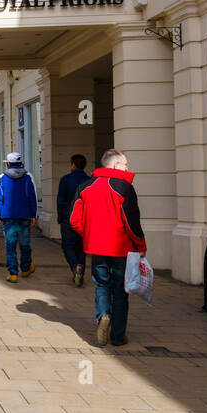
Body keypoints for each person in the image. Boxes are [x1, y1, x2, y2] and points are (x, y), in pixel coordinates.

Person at [70, 149, 146, 348]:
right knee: (120, 290)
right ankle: (118, 336)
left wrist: (88, 234)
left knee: (102, 284)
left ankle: (103, 315)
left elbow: (74, 219)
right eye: (125, 164)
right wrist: (141, 244)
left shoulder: (85, 187)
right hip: (122, 248)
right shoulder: (124, 187)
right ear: (115, 165)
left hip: (96, 246)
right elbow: (131, 222)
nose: (128, 168)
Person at [0, 151, 39, 282]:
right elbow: (33, 197)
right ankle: (25, 269)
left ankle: (13, 273)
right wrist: (33, 214)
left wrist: (1, 214)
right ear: (21, 162)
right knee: (25, 244)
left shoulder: (2, 177)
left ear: (8, 163)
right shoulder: (28, 177)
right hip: (25, 216)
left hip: (9, 217)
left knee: (10, 245)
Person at [57, 154, 93, 286]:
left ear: (73, 164)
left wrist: (60, 217)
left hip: (68, 218)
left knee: (67, 246)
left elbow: (61, 200)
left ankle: (74, 267)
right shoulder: (90, 181)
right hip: (85, 219)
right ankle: (80, 272)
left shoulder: (65, 179)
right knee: (81, 248)